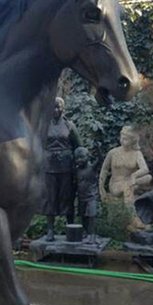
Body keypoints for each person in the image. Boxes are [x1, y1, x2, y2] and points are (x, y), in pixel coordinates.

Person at [42, 97, 82, 241]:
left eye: (58, 107)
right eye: (53, 107)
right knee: (50, 197)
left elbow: (78, 146)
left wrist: (80, 163)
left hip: (66, 166)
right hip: (49, 166)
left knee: (67, 196)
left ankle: (70, 226)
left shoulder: (69, 125)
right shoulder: (43, 126)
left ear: (62, 108)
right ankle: (50, 229)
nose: (55, 110)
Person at [99, 126, 152, 205]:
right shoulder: (113, 153)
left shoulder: (137, 153)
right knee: (127, 187)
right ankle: (129, 208)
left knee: (148, 177)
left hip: (130, 181)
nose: (122, 140)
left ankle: (130, 203)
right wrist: (101, 187)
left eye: (125, 139)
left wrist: (134, 175)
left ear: (132, 140)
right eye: (121, 138)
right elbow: (104, 169)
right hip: (116, 183)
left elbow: (145, 169)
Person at [74, 147, 99, 244]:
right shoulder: (76, 170)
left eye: (82, 157)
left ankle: (92, 234)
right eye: (77, 158)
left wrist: (98, 150)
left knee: (92, 215)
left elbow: (100, 159)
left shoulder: (92, 168)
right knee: (83, 215)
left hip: (91, 196)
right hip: (81, 197)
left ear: (88, 157)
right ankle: (85, 232)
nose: (79, 160)